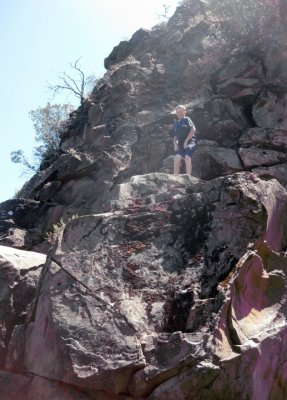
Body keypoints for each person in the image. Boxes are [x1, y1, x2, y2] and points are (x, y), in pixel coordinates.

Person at [173, 105, 197, 175]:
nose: (179, 113)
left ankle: (188, 177)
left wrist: (186, 141)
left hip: (190, 141)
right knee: (176, 158)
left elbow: (193, 130)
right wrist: (175, 144)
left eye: (181, 111)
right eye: (178, 112)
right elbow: (175, 137)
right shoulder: (176, 123)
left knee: (187, 157)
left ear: (185, 111)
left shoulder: (187, 119)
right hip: (181, 144)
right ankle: (175, 177)